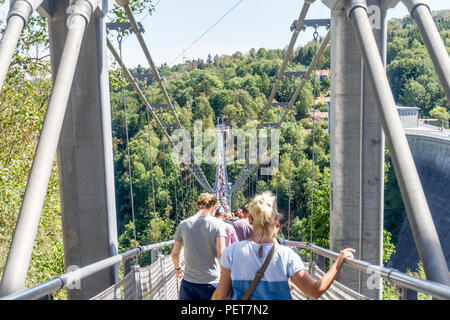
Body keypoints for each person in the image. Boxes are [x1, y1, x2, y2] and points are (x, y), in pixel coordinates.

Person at [211, 191, 356, 300]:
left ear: (250, 220)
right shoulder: (286, 255)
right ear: (276, 220)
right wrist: (338, 261)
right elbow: (315, 291)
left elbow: (220, 297)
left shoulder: (232, 252)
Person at [172, 193, 227, 300]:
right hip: (211, 282)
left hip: (188, 283)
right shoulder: (218, 224)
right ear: (214, 207)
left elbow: (174, 254)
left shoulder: (183, 224)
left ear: (197, 206)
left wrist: (178, 269)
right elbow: (221, 254)